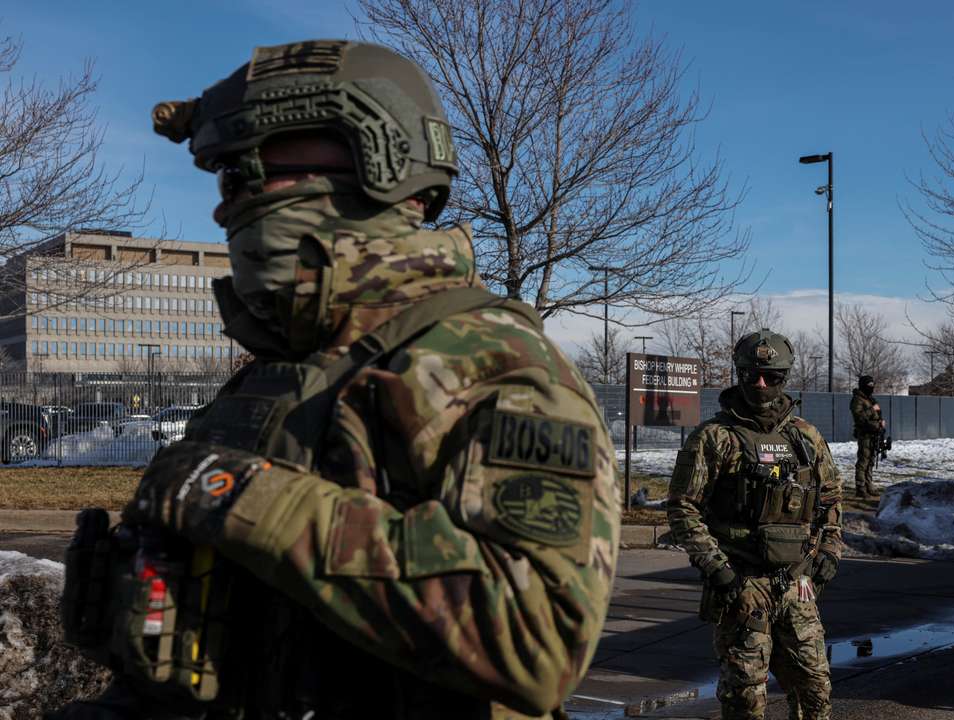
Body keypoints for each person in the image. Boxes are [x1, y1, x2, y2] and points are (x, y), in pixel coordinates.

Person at [54, 40, 619, 719]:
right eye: (227, 179)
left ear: (372, 156)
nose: (226, 207)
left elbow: (537, 641)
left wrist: (243, 499)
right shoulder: (286, 370)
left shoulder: (487, 364)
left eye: (249, 170)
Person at [667, 329, 843, 720]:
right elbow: (682, 507)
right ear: (739, 374)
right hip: (744, 585)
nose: (761, 384)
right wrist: (718, 569)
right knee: (745, 698)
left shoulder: (806, 437)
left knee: (816, 690)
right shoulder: (715, 438)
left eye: (772, 377)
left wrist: (830, 550)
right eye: (750, 375)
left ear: (785, 378)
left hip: (798, 584)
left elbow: (830, 499)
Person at [849, 374, 884, 498]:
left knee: (870, 461)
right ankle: (860, 487)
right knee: (863, 461)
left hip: (874, 434)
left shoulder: (870, 399)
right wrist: (871, 409)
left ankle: (868, 484)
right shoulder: (858, 399)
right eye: (869, 385)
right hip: (865, 434)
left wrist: (880, 424)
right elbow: (859, 417)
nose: (872, 387)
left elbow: (878, 413)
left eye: (872, 385)